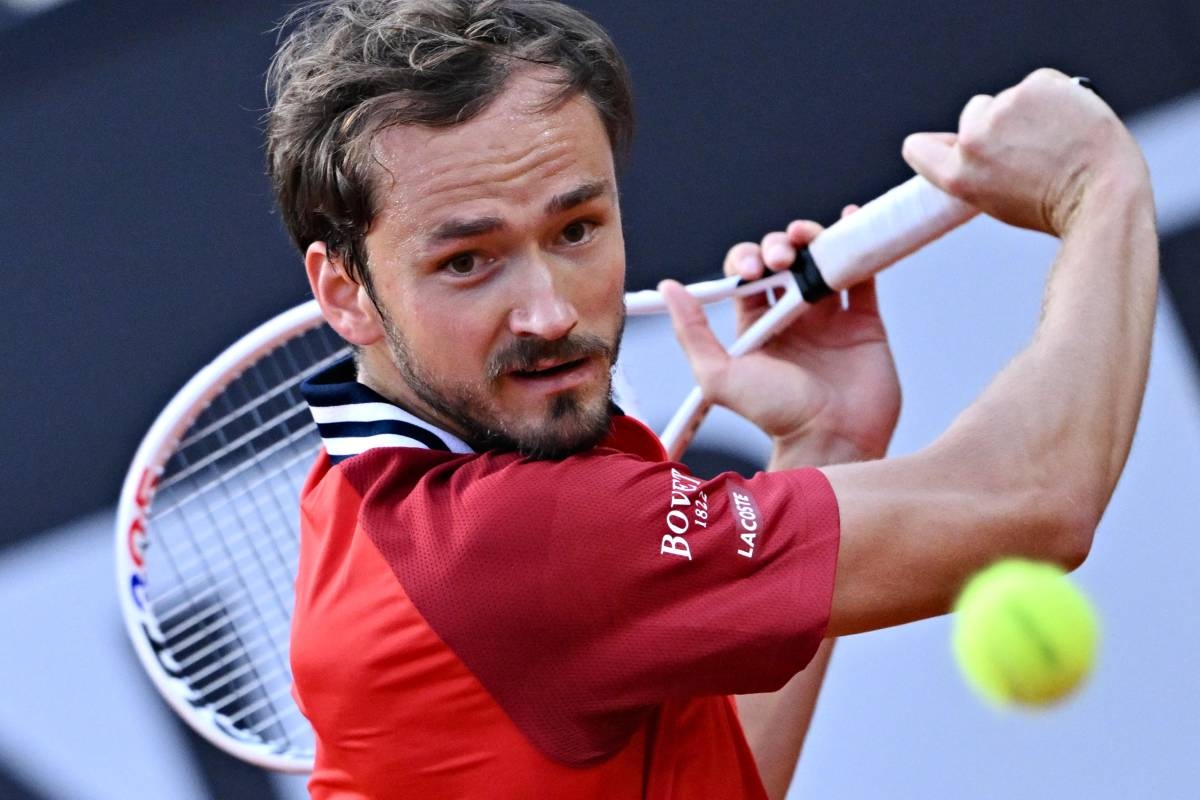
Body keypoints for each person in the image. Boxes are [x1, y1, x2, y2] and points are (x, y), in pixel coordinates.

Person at [266, 1, 1157, 798]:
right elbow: (1034, 502)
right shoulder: (503, 543)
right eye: (467, 261)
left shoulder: (362, 498)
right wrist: (1100, 186)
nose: (549, 311)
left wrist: (829, 442)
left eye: (576, 230)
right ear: (344, 292)